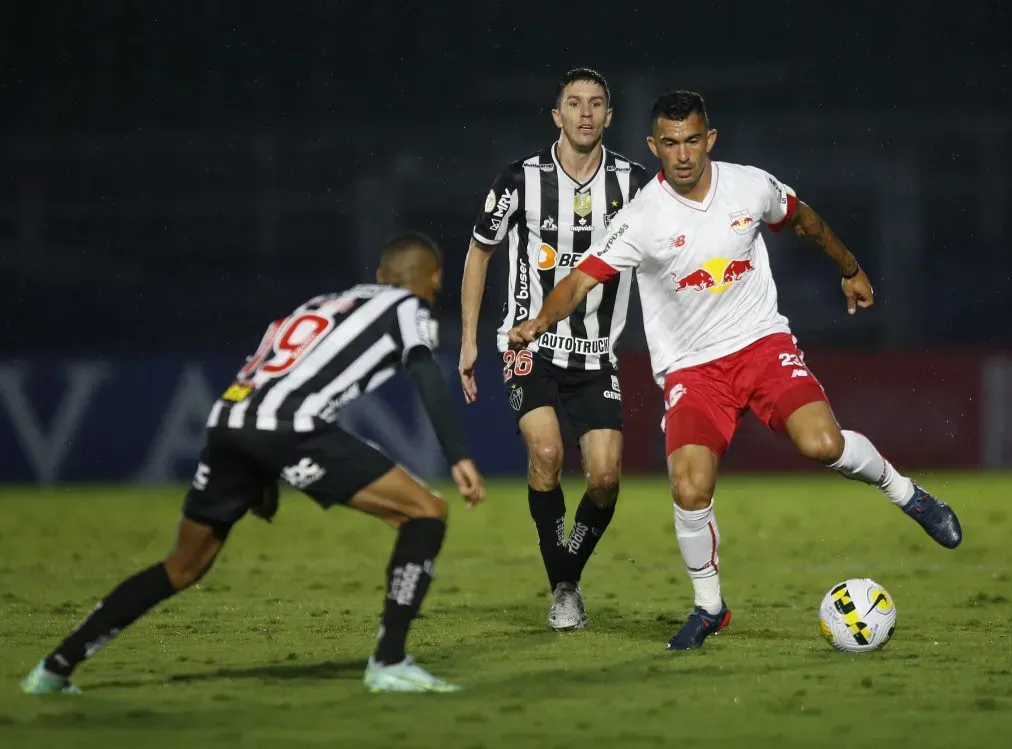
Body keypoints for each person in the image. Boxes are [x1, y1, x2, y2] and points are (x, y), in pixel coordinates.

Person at [508, 90, 962, 651]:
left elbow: (804, 220)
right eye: (669, 144)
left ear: (710, 139)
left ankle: (909, 495)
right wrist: (537, 321)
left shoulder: (749, 185)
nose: (682, 155)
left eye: (692, 140)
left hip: (761, 346)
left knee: (822, 444)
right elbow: (579, 280)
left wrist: (850, 268)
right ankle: (709, 607)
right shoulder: (642, 219)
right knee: (689, 486)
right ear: (653, 146)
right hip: (692, 371)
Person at [22, 232, 485, 695]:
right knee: (426, 511)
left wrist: (260, 476)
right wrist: (458, 453)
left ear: (381, 274)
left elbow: (266, 374)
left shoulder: (318, 305)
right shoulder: (408, 307)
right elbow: (423, 367)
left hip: (228, 418)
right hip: (289, 425)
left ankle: (54, 668)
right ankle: (389, 663)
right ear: (435, 278)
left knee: (181, 566)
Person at [459, 67, 647, 630]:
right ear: (556, 116)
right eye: (574, 103)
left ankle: (566, 570)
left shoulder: (638, 186)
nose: (585, 113)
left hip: (596, 353)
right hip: (528, 342)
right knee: (545, 454)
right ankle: (564, 588)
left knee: (606, 479)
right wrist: (469, 339)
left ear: (609, 117)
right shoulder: (519, 179)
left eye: (595, 104)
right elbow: (479, 252)